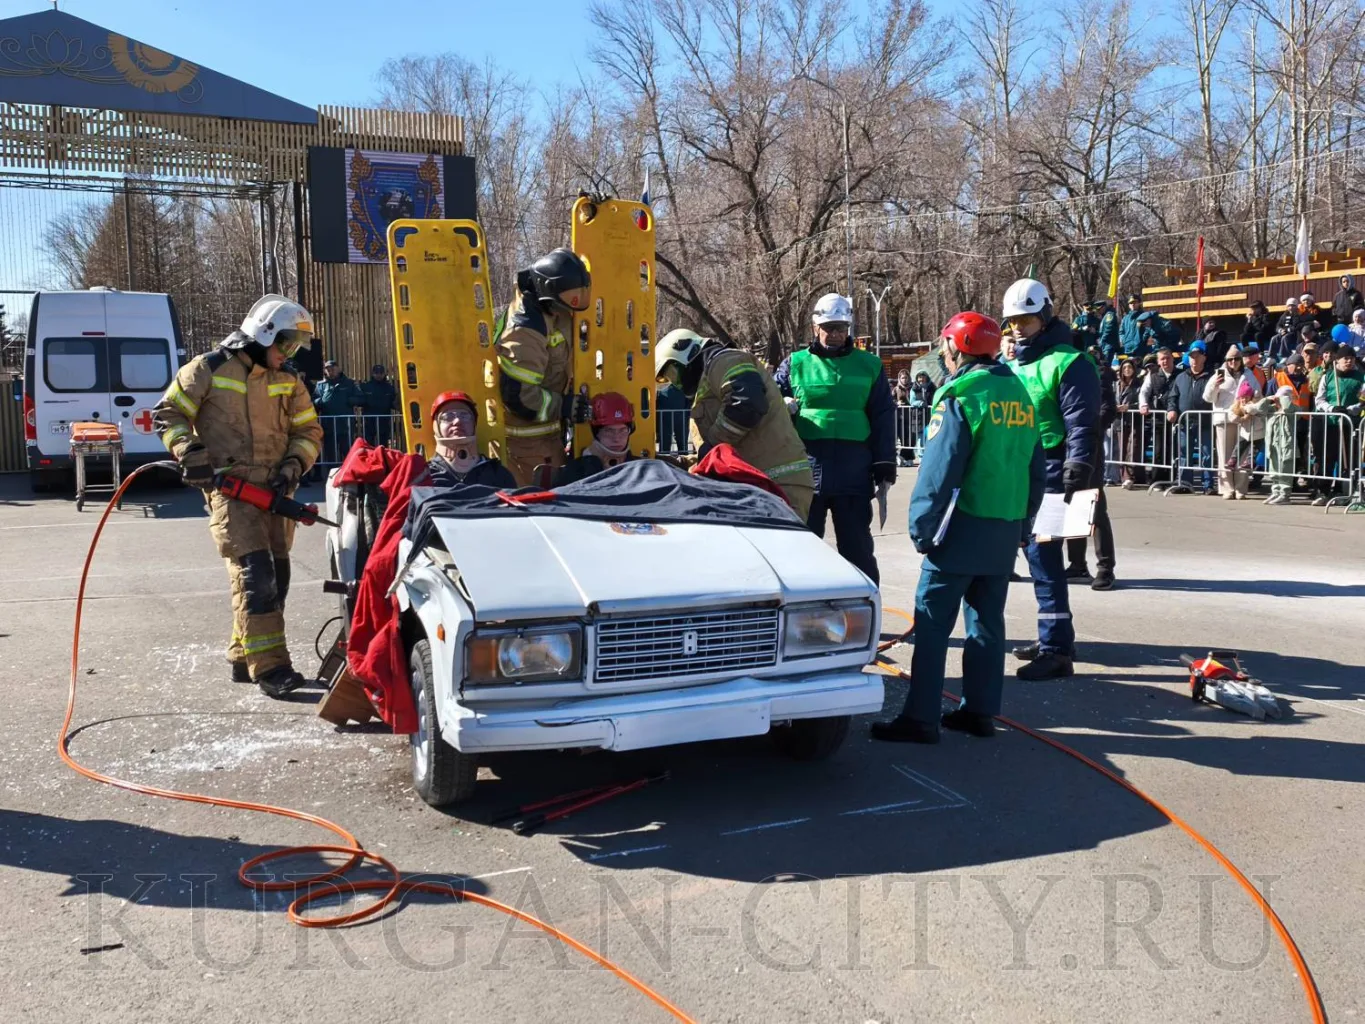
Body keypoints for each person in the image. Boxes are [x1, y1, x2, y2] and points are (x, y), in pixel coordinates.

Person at [869, 312, 1044, 744]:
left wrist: (921, 527)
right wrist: (1024, 523)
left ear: (958, 347)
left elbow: (939, 470)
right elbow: (1035, 469)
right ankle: (980, 712)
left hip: (961, 527)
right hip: (1004, 528)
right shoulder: (1019, 394)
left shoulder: (960, 395)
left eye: (945, 344)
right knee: (987, 623)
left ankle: (921, 718)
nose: (943, 353)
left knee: (931, 624)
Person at [153, 295, 323, 698]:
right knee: (256, 576)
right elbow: (168, 413)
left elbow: (309, 432)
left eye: (296, 346)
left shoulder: (290, 380)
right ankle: (272, 669)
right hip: (231, 493)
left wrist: (292, 467)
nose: (290, 353)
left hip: (276, 492)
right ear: (263, 334)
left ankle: (240, 655)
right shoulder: (208, 369)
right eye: (286, 344)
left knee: (276, 578)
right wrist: (188, 451)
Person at [1001, 278, 1100, 680]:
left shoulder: (1069, 361)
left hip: (1055, 471)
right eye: (1012, 322)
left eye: (1025, 319)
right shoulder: (1013, 364)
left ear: (1044, 315)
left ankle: (1057, 648)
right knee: (1035, 556)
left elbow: (1081, 419)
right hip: (1019, 470)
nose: (1018, 328)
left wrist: (1079, 464)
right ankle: (1053, 637)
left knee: (1045, 560)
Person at [774, 294, 897, 582]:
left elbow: (882, 416)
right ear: (816, 327)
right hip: (806, 470)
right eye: (829, 327)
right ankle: (801, 614)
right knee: (802, 548)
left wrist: (884, 465)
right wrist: (783, 404)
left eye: (841, 328)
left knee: (857, 549)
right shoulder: (794, 363)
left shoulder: (870, 365)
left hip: (853, 472)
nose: (836, 334)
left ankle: (867, 610)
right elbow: (769, 401)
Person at [655, 328, 816, 518]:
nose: (676, 384)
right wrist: (680, 463)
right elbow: (726, 453)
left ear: (687, 354)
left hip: (778, 486)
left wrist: (711, 448)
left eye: (673, 374)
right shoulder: (708, 381)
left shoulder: (725, 360)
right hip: (758, 486)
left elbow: (746, 401)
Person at [496, 247, 592, 486]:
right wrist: (564, 406)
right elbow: (519, 397)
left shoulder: (551, 312)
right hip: (527, 452)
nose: (571, 309)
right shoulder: (526, 330)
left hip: (549, 442)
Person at [1065, 331, 1118, 590]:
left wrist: (1090, 429)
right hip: (1066, 446)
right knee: (1073, 505)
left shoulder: (1095, 372)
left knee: (1095, 507)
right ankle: (1076, 564)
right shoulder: (1060, 371)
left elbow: (1108, 408)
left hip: (1089, 446)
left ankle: (1105, 567)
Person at [423, 390, 516, 489]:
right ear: (435, 426)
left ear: (474, 424)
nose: (457, 421)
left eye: (464, 415)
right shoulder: (424, 476)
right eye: (448, 416)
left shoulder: (499, 474)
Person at [1202, 345, 1259, 499]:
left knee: (1242, 455)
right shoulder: (1218, 374)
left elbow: (1257, 393)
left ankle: (1241, 488)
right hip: (1223, 419)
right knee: (1225, 455)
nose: (1233, 362)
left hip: (1243, 418)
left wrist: (1250, 403)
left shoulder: (1248, 374)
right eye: (1230, 359)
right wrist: (1215, 386)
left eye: (1236, 359)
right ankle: (1227, 488)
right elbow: (1207, 397)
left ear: (1241, 360)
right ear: (1226, 360)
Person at [1313, 343, 1365, 504]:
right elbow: (1319, 399)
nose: (1349, 361)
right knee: (1327, 458)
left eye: (1351, 358)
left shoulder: (1361, 377)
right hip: (1330, 423)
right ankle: (1323, 491)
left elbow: (1363, 401)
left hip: (1350, 424)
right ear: (1337, 361)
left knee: (1349, 459)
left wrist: (1350, 409)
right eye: (1345, 358)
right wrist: (1332, 408)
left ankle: (1344, 491)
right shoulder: (1328, 376)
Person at [553, 392, 641, 486]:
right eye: (609, 431)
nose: (616, 438)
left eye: (622, 430)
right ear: (596, 433)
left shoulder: (643, 470)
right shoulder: (574, 473)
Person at [1169, 341, 1215, 493]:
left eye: (1197, 356)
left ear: (1204, 358)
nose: (1194, 359)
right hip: (1185, 422)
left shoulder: (1211, 377)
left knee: (1207, 455)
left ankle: (1208, 485)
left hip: (1205, 422)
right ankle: (1184, 483)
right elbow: (1173, 397)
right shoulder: (1181, 377)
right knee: (1183, 454)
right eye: (1191, 356)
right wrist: (1172, 410)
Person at [1252, 386, 1301, 505]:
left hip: (1287, 445)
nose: (1278, 400)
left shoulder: (1294, 409)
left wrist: (1284, 398)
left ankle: (1285, 494)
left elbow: (1288, 408)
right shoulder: (1272, 409)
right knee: (1273, 469)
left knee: (1285, 469)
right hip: (1273, 444)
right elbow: (1258, 409)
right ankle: (1276, 492)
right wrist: (1268, 399)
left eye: (1282, 397)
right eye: (1278, 397)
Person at [1138, 347, 1180, 484]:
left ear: (1172, 358)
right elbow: (1144, 392)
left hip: (1177, 418)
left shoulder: (1181, 374)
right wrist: (1143, 404)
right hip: (1159, 419)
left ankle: (1173, 479)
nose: (1165, 361)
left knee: (1175, 450)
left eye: (1168, 357)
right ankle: (1157, 480)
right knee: (1158, 451)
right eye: (1162, 358)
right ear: (1158, 361)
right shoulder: (1153, 374)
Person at [313, 359, 361, 464]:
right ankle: (332, 475)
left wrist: (349, 401)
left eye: (333, 368)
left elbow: (360, 398)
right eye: (328, 369)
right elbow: (314, 401)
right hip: (328, 425)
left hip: (346, 424)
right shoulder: (320, 385)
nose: (330, 371)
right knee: (330, 453)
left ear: (339, 369)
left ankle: (350, 474)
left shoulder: (349, 383)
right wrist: (322, 401)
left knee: (348, 451)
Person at [1113, 359, 1142, 488]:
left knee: (1133, 447)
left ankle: (1130, 476)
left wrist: (1129, 407)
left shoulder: (1139, 384)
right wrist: (1116, 407)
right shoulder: (1117, 385)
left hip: (1134, 420)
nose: (1127, 370)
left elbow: (1143, 401)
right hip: (1120, 420)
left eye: (1129, 367)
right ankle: (1123, 476)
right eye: (1124, 368)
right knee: (1122, 449)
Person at [358, 363, 398, 447]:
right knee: (368, 443)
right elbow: (360, 401)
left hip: (384, 419)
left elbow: (393, 402)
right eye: (376, 373)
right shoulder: (366, 386)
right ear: (373, 374)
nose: (379, 375)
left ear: (384, 374)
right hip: (369, 420)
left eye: (381, 373)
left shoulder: (389, 387)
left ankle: (383, 459)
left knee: (383, 443)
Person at [655, 379, 689, 455]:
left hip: (670, 416)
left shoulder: (662, 385)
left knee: (669, 443)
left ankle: (666, 460)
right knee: (679, 442)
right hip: (675, 415)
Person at [1096, 300, 1120, 364]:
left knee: (1106, 364)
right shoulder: (1104, 316)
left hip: (1109, 344)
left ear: (1103, 307)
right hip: (1105, 345)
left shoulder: (1109, 315)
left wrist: (1102, 340)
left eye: (1099, 309)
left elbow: (1108, 329)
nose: (1098, 311)